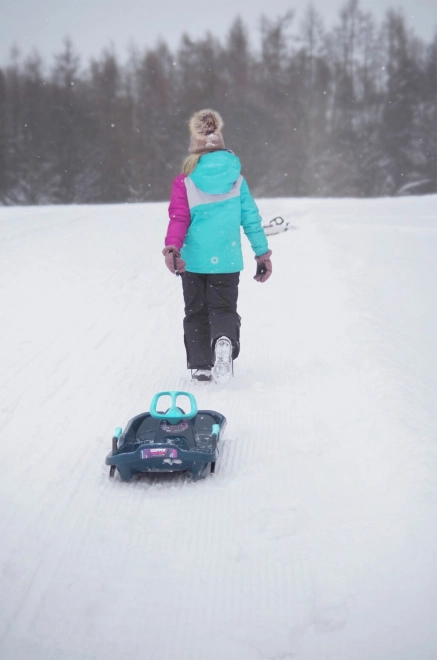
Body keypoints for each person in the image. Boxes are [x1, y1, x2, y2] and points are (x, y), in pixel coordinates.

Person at [163, 109, 272, 384]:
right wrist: (262, 253)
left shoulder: (185, 180)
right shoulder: (236, 178)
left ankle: (201, 365)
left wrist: (173, 248)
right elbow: (251, 219)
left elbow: (179, 218)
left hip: (193, 261)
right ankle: (223, 339)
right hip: (227, 259)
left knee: (196, 311)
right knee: (223, 309)